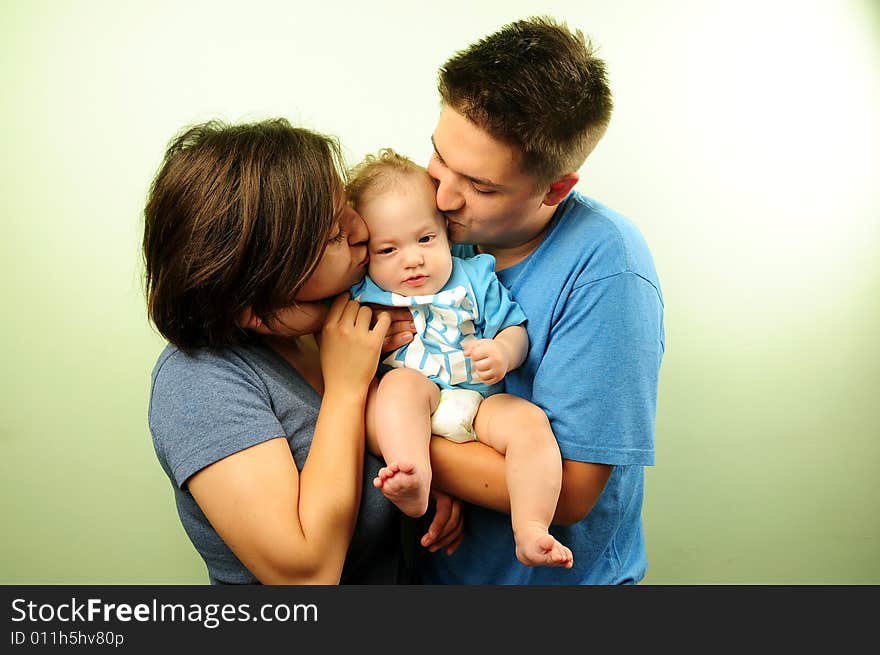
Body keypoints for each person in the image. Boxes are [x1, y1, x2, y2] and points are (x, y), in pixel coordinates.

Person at [142, 118, 462, 585]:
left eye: (345, 207)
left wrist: (433, 479)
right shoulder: (198, 382)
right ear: (260, 276)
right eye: (332, 235)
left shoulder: (349, 324)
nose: (360, 231)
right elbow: (306, 575)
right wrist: (346, 389)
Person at [414, 16, 665, 584]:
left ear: (556, 189)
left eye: (479, 186)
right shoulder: (432, 229)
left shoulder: (607, 271)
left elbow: (571, 492)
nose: (443, 195)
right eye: (438, 157)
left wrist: (390, 436)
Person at [347, 149, 573, 568]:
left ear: (447, 232)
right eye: (388, 250)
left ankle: (531, 528)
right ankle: (413, 479)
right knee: (398, 387)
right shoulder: (364, 295)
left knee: (528, 422)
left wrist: (503, 353)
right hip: (420, 402)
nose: (412, 258)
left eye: (425, 239)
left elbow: (514, 328)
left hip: (481, 403)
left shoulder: (474, 276)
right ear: (365, 255)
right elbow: (343, 355)